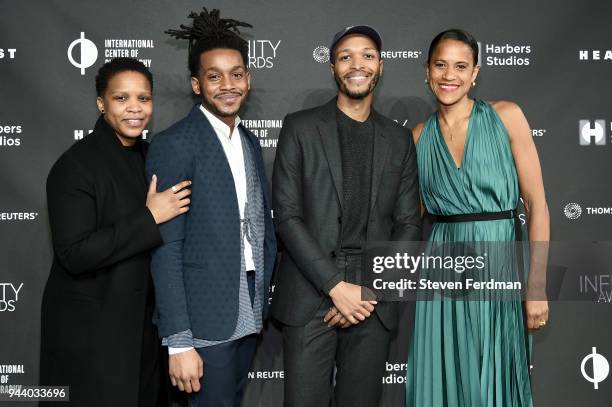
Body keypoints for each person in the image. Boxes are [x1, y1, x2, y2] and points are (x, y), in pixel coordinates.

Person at [272, 25, 421, 407]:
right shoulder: (300, 127)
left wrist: (366, 293)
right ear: (333, 68)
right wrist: (336, 287)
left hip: (373, 296)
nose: (358, 64)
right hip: (310, 291)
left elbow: (408, 223)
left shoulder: (399, 139)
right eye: (346, 56)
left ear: (381, 66)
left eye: (367, 55)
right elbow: (287, 216)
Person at [405, 29, 550, 407]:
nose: (449, 75)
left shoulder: (507, 116)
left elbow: (535, 203)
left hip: (500, 262)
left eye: (460, 66)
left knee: (494, 378)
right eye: (440, 65)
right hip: (442, 268)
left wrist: (535, 287)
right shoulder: (419, 138)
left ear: (475, 73)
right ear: (427, 71)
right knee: (448, 379)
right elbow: (406, 219)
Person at [40, 58, 191, 407]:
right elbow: (74, 253)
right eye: (122, 99)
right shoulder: (75, 165)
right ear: (101, 103)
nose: (135, 109)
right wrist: (150, 217)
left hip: (146, 331)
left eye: (144, 98)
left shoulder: (152, 158)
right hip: (94, 333)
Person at [146, 7, 276, 407]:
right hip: (202, 320)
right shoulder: (176, 143)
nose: (227, 85)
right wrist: (178, 340)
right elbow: (165, 248)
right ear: (196, 84)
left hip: (248, 310)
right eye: (214, 76)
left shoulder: (250, 141)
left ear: (248, 80)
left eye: (236, 74)